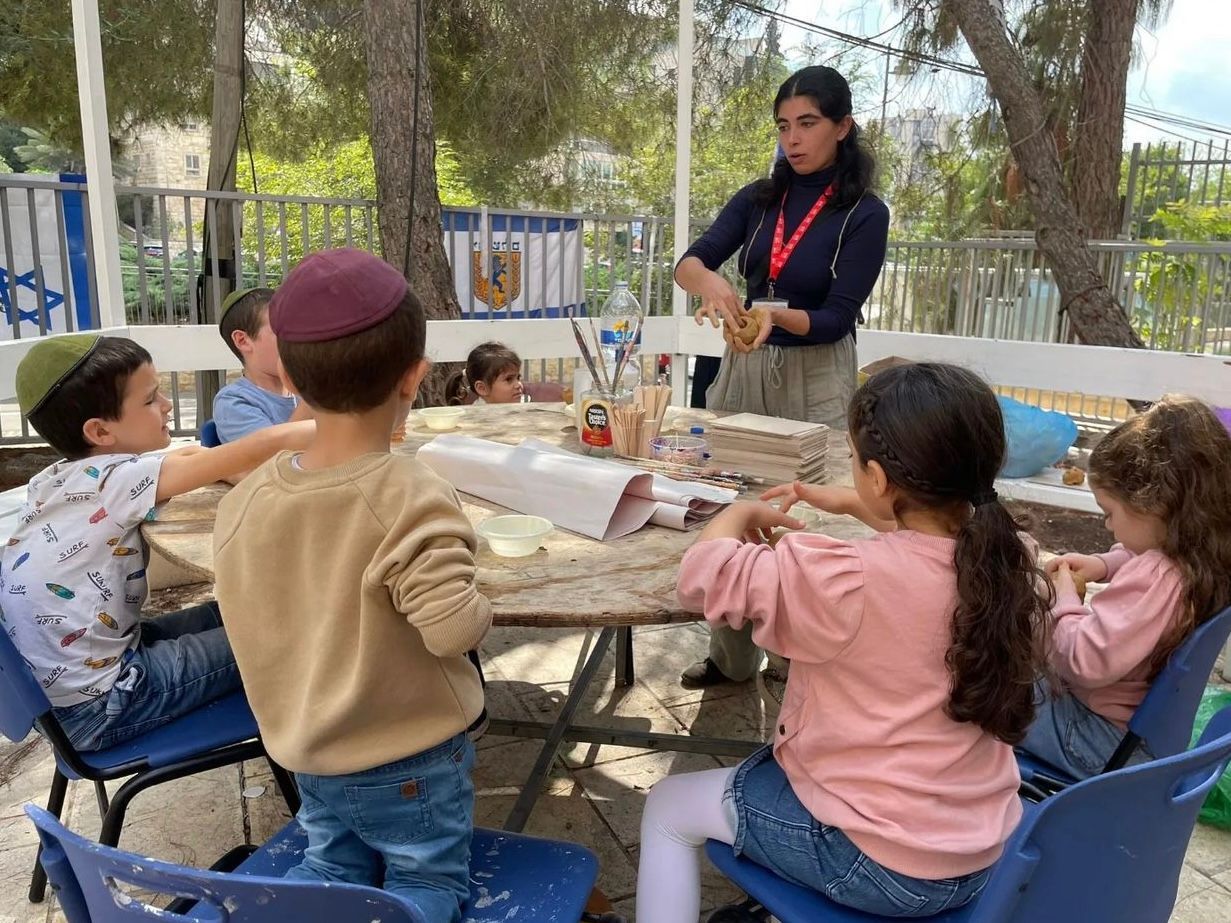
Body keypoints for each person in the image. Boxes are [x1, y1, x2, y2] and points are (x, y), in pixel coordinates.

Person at [636, 363, 1051, 921]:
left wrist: (739, 511)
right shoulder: (1011, 557)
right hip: (980, 849)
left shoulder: (847, 578)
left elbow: (704, 572)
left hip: (880, 862)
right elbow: (929, 554)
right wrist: (860, 506)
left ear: (878, 477)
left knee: (667, 806)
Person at [213, 248, 493, 922]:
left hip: (307, 754)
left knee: (330, 871)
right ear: (414, 376)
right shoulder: (410, 493)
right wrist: (478, 590)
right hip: (408, 764)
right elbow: (455, 630)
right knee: (423, 890)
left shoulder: (243, 501)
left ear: (284, 372)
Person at [675, 65, 890, 690]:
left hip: (816, 371)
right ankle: (732, 658)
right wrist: (711, 283)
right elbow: (692, 260)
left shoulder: (864, 214)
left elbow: (837, 317)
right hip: (746, 366)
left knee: (809, 514)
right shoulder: (759, 198)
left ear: (842, 127)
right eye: (783, 126)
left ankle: (801, 659)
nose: (792, 139)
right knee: (732, 498)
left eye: (808, 124)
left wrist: (772, 315)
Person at [0, 334, 311, 751]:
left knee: (239, 612)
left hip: (62, 694)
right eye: (150, 399)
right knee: (291, 629)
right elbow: (249, 450)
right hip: (106, 704)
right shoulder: (118, 480)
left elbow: (195, 458)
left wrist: (212, 460)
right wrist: (321, 414)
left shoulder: (61, 477)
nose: (167, 404)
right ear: (100, 430)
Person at [1020, 396, 1231, 779]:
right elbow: (1149, 562)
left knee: (991, 680)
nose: (1107, 527)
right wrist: (1105, 564)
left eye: (1110, 513)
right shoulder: (1203, 557)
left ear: (1156, 503)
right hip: (1136, 738)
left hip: (1094, 742)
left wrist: (1064, 599)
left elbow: (1084, 659)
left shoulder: (1156, 576)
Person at [212, 287, 311, 442]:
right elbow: (273, 459)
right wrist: (317, 397)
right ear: (242, 341)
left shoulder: (303, 390)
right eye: (283, 330)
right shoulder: (233, 401)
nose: (297, 339)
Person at [446, 341, 525, 405]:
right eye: (508, 379)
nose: (519, 385)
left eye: (518, 378)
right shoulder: (476, 419)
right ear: (482, 388)